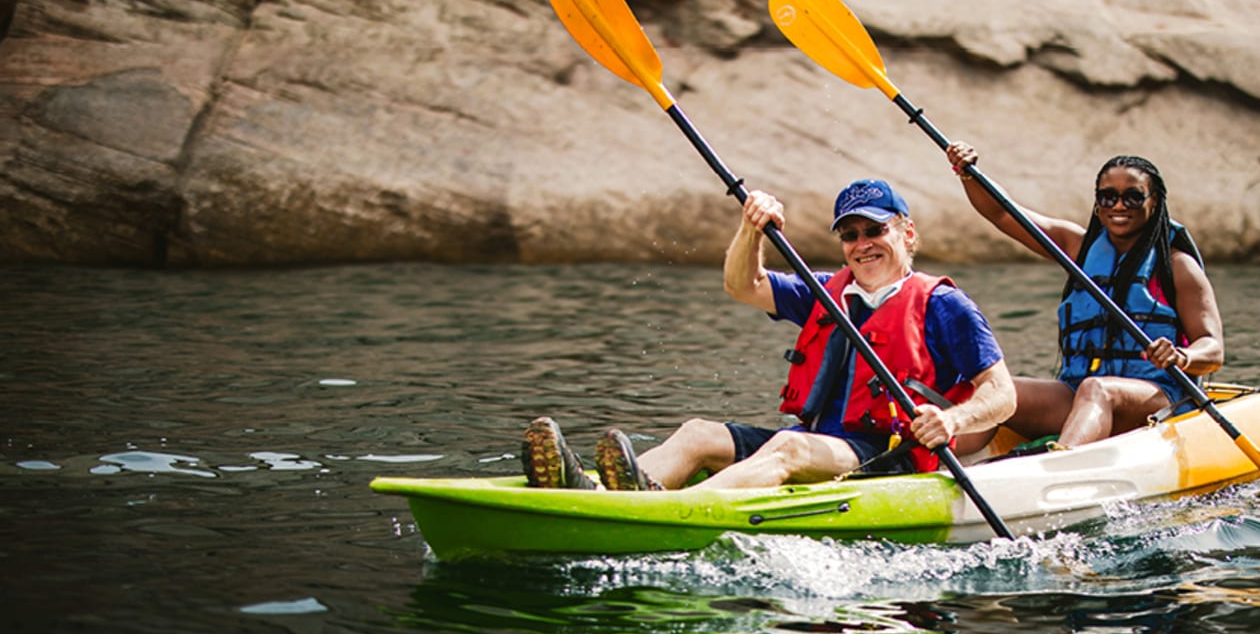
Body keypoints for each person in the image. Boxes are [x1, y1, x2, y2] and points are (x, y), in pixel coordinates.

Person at [520, 178, 1018, 491]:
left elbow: (1002, 394)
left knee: (787, 448)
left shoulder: (944, 304)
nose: (862, 245)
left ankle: (667, 510)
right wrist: (751, 228)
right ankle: (594, 492)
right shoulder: (827, 292)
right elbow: (744, 285)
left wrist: (952, 420)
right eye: (850, 235)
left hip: (888, 455)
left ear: (906, 234)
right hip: (821, 439)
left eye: (875, 231)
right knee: (698, 432)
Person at [944, 142, 1224, 450]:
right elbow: (1002, 212)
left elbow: (1213, 349)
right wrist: (968, 173)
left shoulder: (1178, 267)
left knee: (1097, 389)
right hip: (1078, 394)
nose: (1119, 206)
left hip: (1158, 399)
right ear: (1097, 203)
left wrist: (1183, 356)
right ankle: (926, 464)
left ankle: (1059, 465)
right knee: (999, 391)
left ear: (1154, 201)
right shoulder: (1078, 249)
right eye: (1108, 196)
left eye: (1132, 196)